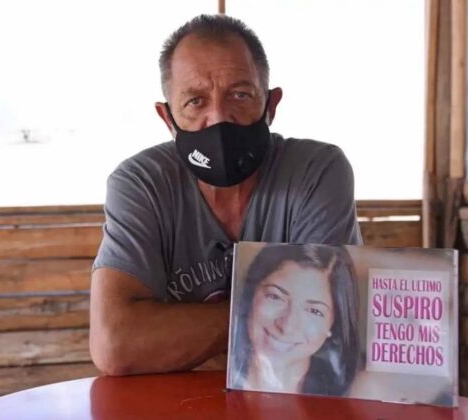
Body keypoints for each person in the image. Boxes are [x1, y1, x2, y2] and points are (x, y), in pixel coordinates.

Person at [89, 14, 361, 376]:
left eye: (240, 95)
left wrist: (177, 332)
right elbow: (115, 345)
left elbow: (330, 330)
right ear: (167, 119)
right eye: (195, 101)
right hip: (176, 401)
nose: (219, 118)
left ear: (271, 105)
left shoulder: (316, 171)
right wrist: (264, 313)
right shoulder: (141, 183)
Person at [229, 244, 360, 396]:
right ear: (251, 295)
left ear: (334, 324)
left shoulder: (351, 401)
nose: (287, 326)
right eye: (275, 296)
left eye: (314, 311)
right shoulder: (215, 374)